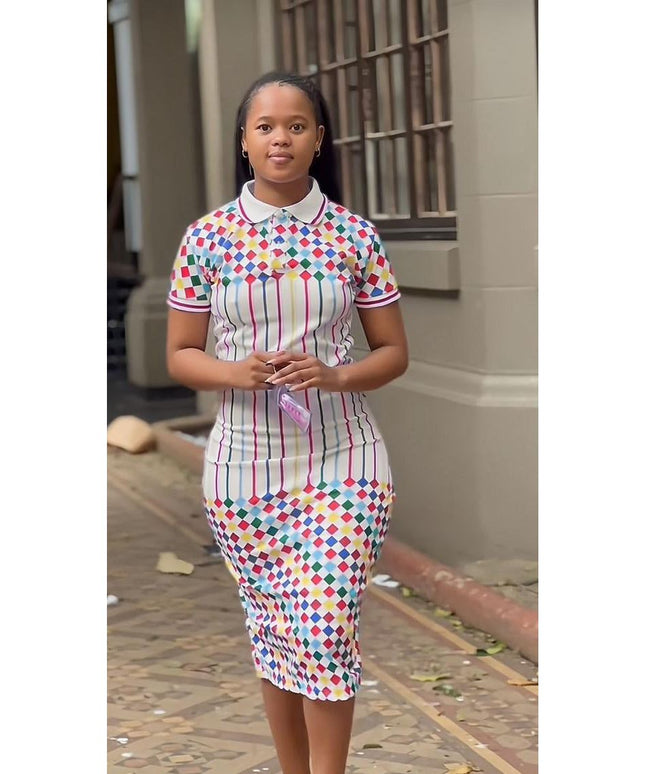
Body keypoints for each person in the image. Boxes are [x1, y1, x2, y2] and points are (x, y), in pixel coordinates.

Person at [166, 71, 408, 774]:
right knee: (276, 630)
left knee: (323, 625)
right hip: (242, 471)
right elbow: (180, 355)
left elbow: (392, 352)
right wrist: (234, 372)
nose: (281, 139)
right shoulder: (207, 239)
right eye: (265, 126)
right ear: (244, 141)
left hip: (344, 461)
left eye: (296, 126)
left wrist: (334, 375)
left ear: (318, 140)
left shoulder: (353, 235)